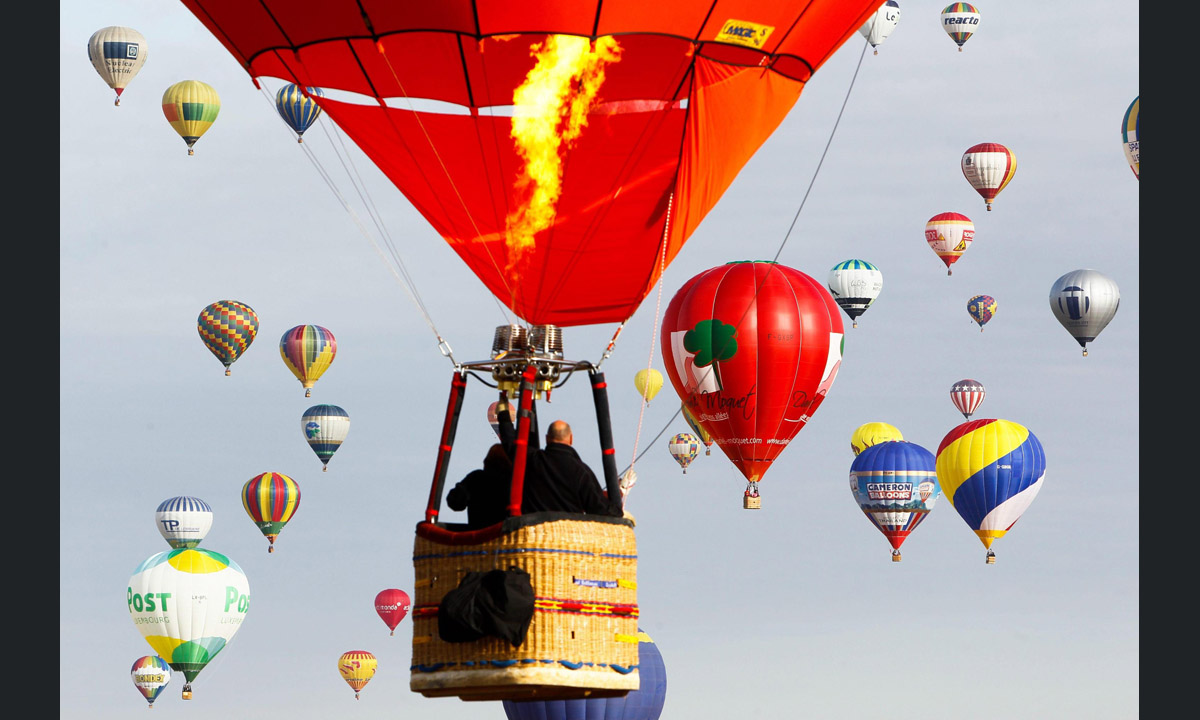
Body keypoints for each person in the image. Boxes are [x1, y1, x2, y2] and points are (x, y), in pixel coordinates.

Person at [446, 443, 512, 529]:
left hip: (479, 536)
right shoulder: (514, 483)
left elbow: (455, 503)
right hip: (506, 535)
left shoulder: (476, 478)